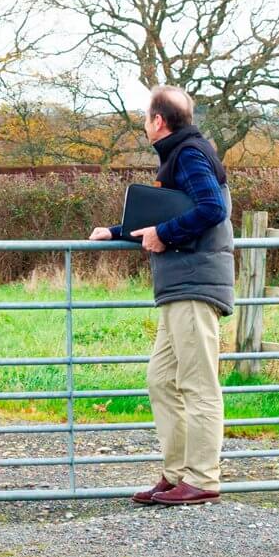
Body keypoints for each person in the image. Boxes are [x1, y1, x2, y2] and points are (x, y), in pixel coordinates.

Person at [88, 85, 234, 506]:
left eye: (146, 117)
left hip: (194, 283)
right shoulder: (183, 153)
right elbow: (171, 214)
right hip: (180, 284)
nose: (144, 124)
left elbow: (211, 209)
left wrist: (163, 235)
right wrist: (117, 232)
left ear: (158, 121)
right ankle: (176, 474)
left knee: (197, 383)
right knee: (162, 379)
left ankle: (202, 478)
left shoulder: (188, 154)